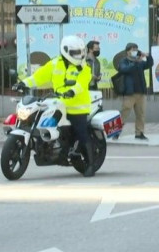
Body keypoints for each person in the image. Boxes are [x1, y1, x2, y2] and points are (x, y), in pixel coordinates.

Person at [13, 35, 97, 177]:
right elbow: (38, 77)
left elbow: (82, 84)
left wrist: (72, 91)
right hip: (58, 102)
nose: (80, 55)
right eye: (76, 53)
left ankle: (90, 165)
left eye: (81, 52)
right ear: (65, 51)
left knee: (81, 133)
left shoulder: (84, 67)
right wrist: (24, 83)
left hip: (77, 107)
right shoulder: (54, 64)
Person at [118, 42, 153, 140]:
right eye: (132, 50)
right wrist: (135, 63)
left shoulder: (140, 62)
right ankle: (116, 132)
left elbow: (149, 64)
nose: (134, 52)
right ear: (128, 52)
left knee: (141, 114)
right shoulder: (124, 61)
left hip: (140, 93)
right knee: (124, 113)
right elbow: (124, 70)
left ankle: (139, 133)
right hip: (129, 93)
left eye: (136, 50)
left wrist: (148, 57)